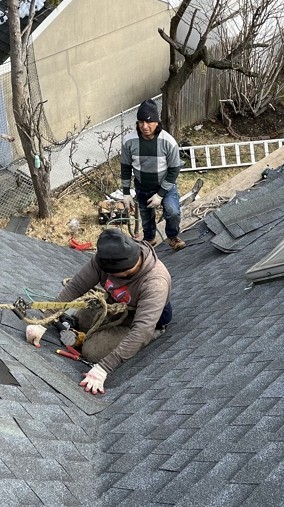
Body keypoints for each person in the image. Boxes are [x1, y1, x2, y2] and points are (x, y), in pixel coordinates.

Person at [25, 229, 172, 395]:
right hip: (115, 305)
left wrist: (103, 368)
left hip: (141, 321)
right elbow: (75, 287)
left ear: (126, 269)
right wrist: (43, 322)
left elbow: (142, 330)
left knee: (91, 351)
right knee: (79, 321)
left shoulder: (155, 282)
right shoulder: (106, 258)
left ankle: (155, 333)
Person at [120, 99, 186, 250]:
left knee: (173, 212)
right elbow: (125, 167)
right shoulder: (129, 141)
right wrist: (126, 193)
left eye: (149, 122)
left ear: (157, 122)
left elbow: (174, 170)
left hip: (165, 186)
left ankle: (173, 237)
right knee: (146, 217)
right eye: (141, 122)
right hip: (142, 187)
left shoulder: (168, 142)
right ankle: (150, 239)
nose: (144, 126)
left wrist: (160, 194)